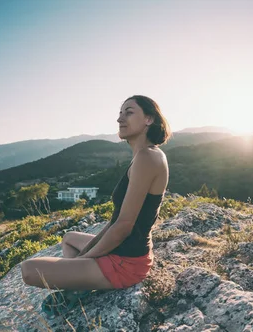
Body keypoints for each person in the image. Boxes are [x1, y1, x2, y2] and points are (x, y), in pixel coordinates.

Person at [21, 95, 171, 293]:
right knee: (69, 238)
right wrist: (87, 252)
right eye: (120, 113)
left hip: (127, 261)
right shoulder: (145, 156)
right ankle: (77, 286)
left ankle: (78, 285)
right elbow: (115, 221)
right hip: (125, 250)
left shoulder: (147, 157)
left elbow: (124, 226)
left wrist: (84, 259)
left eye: (129, 112)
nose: (120, 119)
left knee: (28, 270)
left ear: (149, 119)